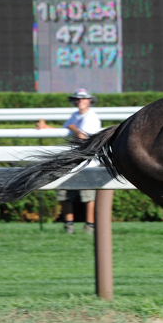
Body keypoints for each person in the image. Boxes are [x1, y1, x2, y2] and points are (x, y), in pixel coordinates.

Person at [36, 88, 102, 234]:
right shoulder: (75, 115)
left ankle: (90, 226)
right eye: (78, 99)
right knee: (64, 194)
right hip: (73, 160)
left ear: (89, 101)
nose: (80, 101)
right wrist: (45, 127)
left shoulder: (91, 117)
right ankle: (69, 227)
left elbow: (81, 136)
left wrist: (71, 127)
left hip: (88, 163)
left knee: (89, 197)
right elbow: (63, 131)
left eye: (83, 98)